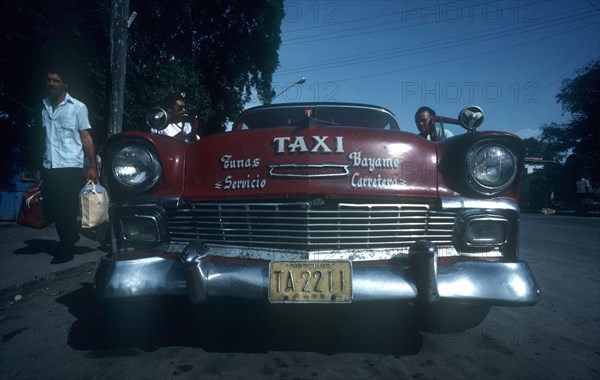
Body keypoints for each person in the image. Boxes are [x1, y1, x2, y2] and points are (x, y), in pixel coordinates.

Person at [40, 68, 99, 264]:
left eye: (56, 81)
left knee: (66, 208)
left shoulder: (77, 107)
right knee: (52, 208)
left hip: (70, 165)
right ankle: (71, 236)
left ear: (65, 84)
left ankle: (66, 247)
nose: (51, 84)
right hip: (50, 165)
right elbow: (44, 138)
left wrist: (92, 165)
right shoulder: (44, 106)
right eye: (49, 80)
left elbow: (85, 137)